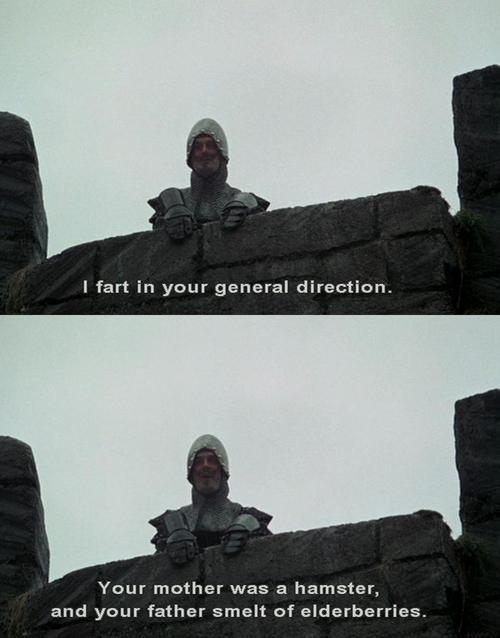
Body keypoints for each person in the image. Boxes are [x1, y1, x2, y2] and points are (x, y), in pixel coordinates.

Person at [149, 434, 272, 564]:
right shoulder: (171, 523)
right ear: (191, 472)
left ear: (222, 469)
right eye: (198, 462)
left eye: (212, 460)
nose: (205, 466)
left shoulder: (251, 519)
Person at [148, 118, 269, 239]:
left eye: (210, 146)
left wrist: (248, 202)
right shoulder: (178, 199)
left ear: (221, 153)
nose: (204, 151)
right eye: (197, 147)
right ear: (191, 156)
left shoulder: (238, 199)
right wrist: (173, 208)